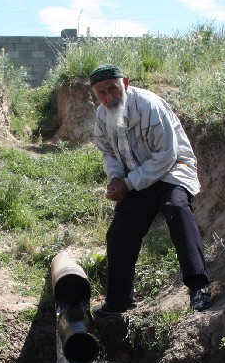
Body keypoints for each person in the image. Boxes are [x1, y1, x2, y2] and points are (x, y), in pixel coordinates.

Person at [89, 64, 213, 315]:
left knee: (177, 208)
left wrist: (128, 184)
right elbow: (108, 153)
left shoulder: (149, 105)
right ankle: (119, 301)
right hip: (137, 178)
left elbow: (166, 155)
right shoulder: (102, 115)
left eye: (113, 89)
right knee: (119, 233)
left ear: (125, 83)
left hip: (171, 171)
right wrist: (115, 178)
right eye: (101, 92)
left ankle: (198, 287)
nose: (108, 97)